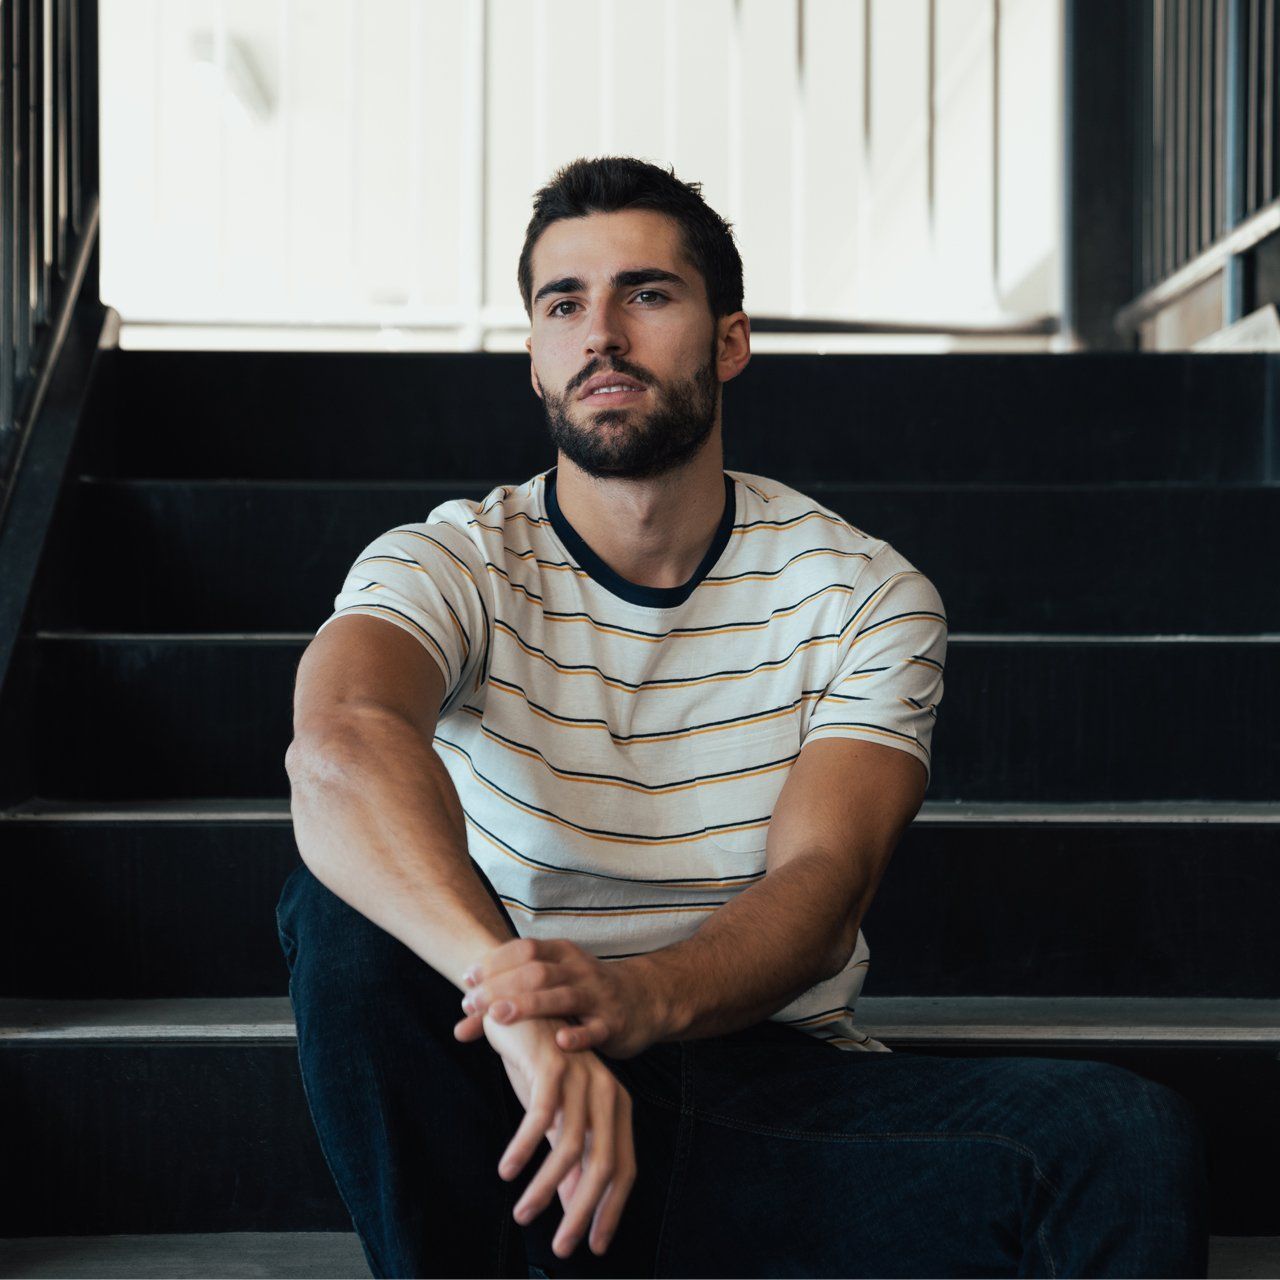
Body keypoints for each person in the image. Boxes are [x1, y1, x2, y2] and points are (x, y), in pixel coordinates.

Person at [277, 156, 1209, 1279]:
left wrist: (631, 998)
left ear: (728, 339)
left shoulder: (859, 592)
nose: (600, 332)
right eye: (561, 302)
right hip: (512, 1101)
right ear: (532, 356)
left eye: (646, 293)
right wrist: (524, 1012)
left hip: (757, 1090)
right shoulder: (454, 559)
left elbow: (821, 886)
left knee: (1119, 1136)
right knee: (344, 918)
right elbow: (339, 744)